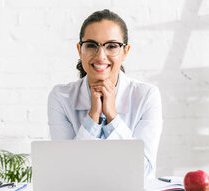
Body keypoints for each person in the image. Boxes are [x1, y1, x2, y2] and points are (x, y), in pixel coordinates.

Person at [47, 9, 163, 178]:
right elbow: (66, 171)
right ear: (80, 50)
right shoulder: (61, 97)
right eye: (92, 45)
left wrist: (112, 116)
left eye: (112, 46)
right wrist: (93, 116)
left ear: (125, 51)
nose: (101, 56)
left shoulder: (147, 96)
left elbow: (144, 172)